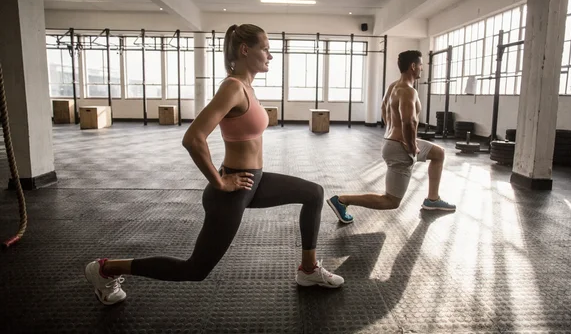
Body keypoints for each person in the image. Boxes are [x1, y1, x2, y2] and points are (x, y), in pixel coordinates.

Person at [84, 24, 343, 305]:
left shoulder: (246, 87)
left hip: (254, 181)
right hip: (233, 188)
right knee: (195, 269)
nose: (270, 55)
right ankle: (105, 268)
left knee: (313, 193)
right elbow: (193, 138)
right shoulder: (232, 88)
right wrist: (219, 182)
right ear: (245, 50)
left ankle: (308, 270)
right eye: (265, 48)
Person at [326, 50, 455, 224]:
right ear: (413, 66)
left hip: (395, 141)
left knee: (438, 153)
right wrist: (410, 146)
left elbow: (383, 110)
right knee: (391, 201)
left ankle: (432, 199)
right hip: (402, 147)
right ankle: (342, 200)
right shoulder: (409, 91)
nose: (422, 70)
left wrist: (394, 132)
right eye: (421, 66)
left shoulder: (393, 86)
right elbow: (408, 122)